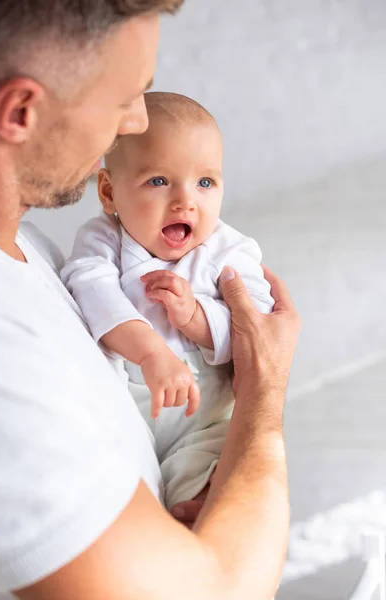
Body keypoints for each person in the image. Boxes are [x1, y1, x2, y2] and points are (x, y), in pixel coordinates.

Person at [0, 2, 301, 600]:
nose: (135, 123)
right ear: (22, 111)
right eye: (126, 97)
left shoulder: (29, 250)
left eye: (205, 181)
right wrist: (266, 394)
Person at [61, 91, 275, 510]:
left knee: (215, 479)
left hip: (205, 420)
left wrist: (196, 317)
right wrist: (151, 353)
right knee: (113, 490)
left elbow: (258, 327)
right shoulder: (104, 240)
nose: (186, 201)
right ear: (108, 192)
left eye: (205, 182)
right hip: (127, 413)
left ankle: (192, 507)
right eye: (158, 181)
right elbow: (91, 289)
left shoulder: (229, 251)